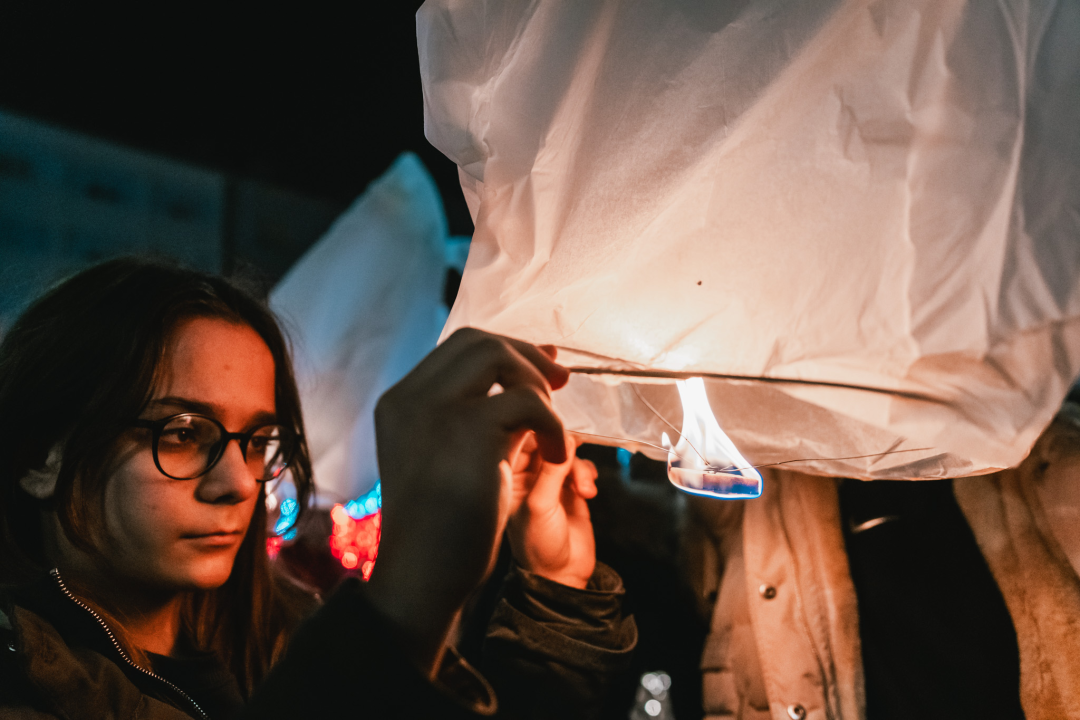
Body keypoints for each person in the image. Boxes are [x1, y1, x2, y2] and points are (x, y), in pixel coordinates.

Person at [0, 258, 636, 719]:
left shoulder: (287, 638)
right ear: (40, 460)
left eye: (258, 441)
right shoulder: (22, 675)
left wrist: (558, 588)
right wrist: (402, 606)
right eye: (182, 432)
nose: (237, 482)